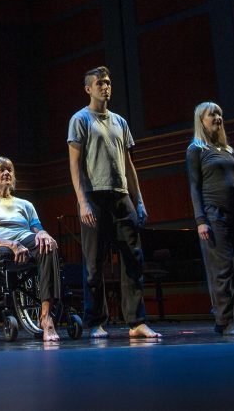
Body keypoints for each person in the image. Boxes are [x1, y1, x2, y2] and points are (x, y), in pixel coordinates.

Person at [67, 66, 159, 340]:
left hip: (120, 196)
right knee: (94, 264)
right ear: (88, 88)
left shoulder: (120, 121)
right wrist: (82, 202)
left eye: (108, 83)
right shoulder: (80, 119)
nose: (105, 87)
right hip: (94, 196)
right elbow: (74, 165)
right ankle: (96, 321)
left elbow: (129, 165)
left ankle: (136, 321)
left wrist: (138, 200)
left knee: (133, 258)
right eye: (100, 83)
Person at [0, 157, 63, 342]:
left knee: (48, 247)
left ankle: (46, 316)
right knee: (8, 251)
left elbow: (37, 228)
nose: (7, 173)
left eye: (10, 170)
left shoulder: (25, 204)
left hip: (24, 239)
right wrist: (10, 244)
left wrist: (44, 234)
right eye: (1, 170)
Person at [186, 102, 234, 335]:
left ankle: (225, 316)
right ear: (201, 120)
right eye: (212, 114)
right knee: (222, 267)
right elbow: (194, 186)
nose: (217, 117)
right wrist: (200, 220)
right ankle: (226, 321)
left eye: (219, 113)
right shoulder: (196, 149)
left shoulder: (228, 149)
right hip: (214, 214)